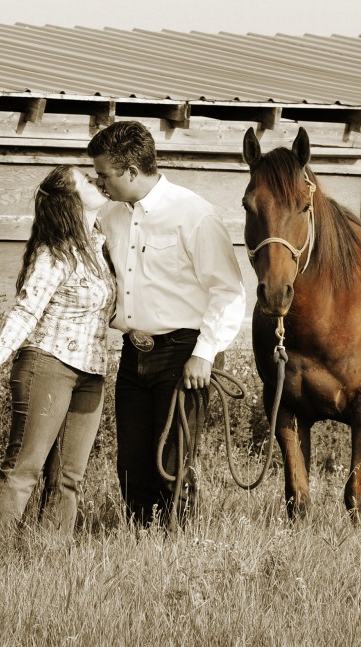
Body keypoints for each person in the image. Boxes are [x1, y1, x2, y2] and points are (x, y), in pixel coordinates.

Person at [88, 120, 247, 527]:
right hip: (133, 352)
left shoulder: (193, 214)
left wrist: (205, 354)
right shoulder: (109, 217)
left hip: (183, 353)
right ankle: (141, 540)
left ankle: (177, 546)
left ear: (131, 171)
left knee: (174, 461)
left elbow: (228, 291)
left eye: (104, 174)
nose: (99, 181)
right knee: (132, 461)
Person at [0, 164, 116, 533]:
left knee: (69, 477)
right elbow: (26, 309)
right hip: (48, 364)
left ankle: (49, 553)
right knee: (25, 467)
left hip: (92, 372)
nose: (96, 180)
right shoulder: (55, 253)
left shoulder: (99, 249)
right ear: (69, 199)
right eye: (86, 179)